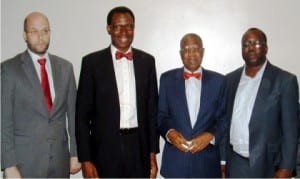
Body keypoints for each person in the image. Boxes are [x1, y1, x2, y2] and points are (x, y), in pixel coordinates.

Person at [76, 6, 159, 178]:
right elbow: (82, 116)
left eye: (128, 26)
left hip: (139, 147)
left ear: (134, 29)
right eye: (117, 26)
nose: (124, 31)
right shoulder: (92, 63)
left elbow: (152, 111)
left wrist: (152, 153)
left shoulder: (147, 62)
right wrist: (85, 159)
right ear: (109, 29)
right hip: (104, 149)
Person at [1, 12, 81, 178]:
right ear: (25, 35)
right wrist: (8, 165)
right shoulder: (9, 69)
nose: (40, 37)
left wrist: (75, 153)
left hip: (60, 162)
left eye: (45, 31)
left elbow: (74, 116)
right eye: (34, 31)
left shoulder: (65, 68)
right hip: (25, 164)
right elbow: (4, 120)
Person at [224, 27, 299, 178]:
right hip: (236, 162)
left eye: (256, 43)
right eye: (246, 44)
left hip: (268, 165)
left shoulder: (284, 80)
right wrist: (223, 161)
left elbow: (291, 130)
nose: (251, 47)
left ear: (266, 48)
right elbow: (225, 123)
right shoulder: (229, 80)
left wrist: (286, 168)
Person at [157, 33, 227, 178]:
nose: (191, 54)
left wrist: (210, 135)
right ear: (181, 54)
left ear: (203, 52)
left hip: (207, 164)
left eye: (195, 49)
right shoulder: (166, 79)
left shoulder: (219, 81)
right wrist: (170, 133)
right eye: (186, 49)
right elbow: (161, 115)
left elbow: (224, 118)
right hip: (175, 164)